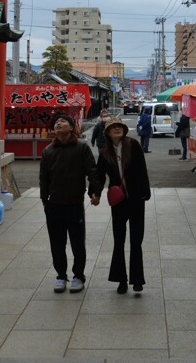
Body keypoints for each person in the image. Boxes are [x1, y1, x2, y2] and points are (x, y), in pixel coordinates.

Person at [39, 112, 101, 294]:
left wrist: (94, 192)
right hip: (54, 204)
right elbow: (43, 178)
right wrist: (44, 199)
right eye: (56, 122)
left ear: (72, 127)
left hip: (74, 204)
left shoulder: (81, 147)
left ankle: (78, 276)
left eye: (63, 121)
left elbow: (92, 171)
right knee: (57, 243)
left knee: (77, 243)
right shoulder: (48, 151)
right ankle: (61, 276)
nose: (58, 123)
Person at [95, 118, 151, 294]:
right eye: (113, 127)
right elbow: (99, 176)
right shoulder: (105, 152)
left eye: (120, 126)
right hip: (118, 201)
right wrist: (95, 193)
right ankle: (121, 279)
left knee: (136, 240)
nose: (117, 129)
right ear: (107, 132)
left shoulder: (133, 145)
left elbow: (142, 169)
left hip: (136, 199)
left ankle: (137, 280)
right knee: (119, 240)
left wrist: (145, 192)